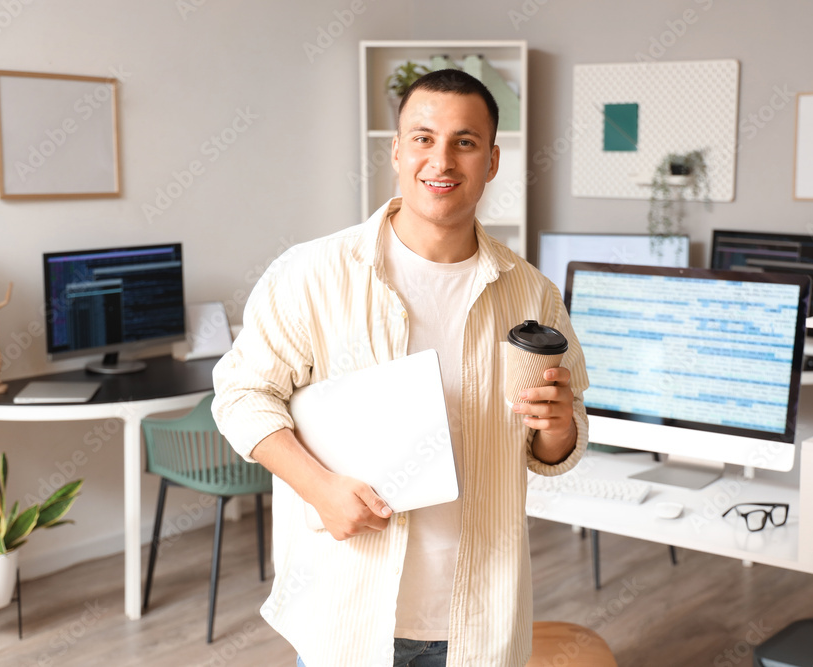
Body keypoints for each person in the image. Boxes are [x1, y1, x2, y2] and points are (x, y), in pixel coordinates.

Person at [212, 69, 589, 667]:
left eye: (464, 142)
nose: (441, 160)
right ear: (395, 150)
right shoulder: (313, 273)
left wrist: (559, 423)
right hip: (350, 608)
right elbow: (240, 395)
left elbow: (557, 447)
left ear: (491, 161)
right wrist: (320, 489)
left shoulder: (532, 294)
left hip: (479, 617)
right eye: (422, 138)